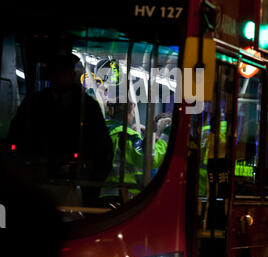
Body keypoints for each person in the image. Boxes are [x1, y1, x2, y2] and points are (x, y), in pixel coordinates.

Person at [8, 53, 113, 206]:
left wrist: (89, 188)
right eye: (55, 73)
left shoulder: (89, 108)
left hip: (74, 187)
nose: (59, 78)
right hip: (36, 183)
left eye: (63, 73)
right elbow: (16, 137)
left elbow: (103, 152)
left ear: (71, 75)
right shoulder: (34, 103)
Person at [101, 102, 170, 201]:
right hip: (124, 194)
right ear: (128, 113)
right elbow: (149, 159)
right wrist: (165, 137)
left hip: (107, 191)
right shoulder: (128, 134)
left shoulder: (107, 129)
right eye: (133, 111)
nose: (133, 115)